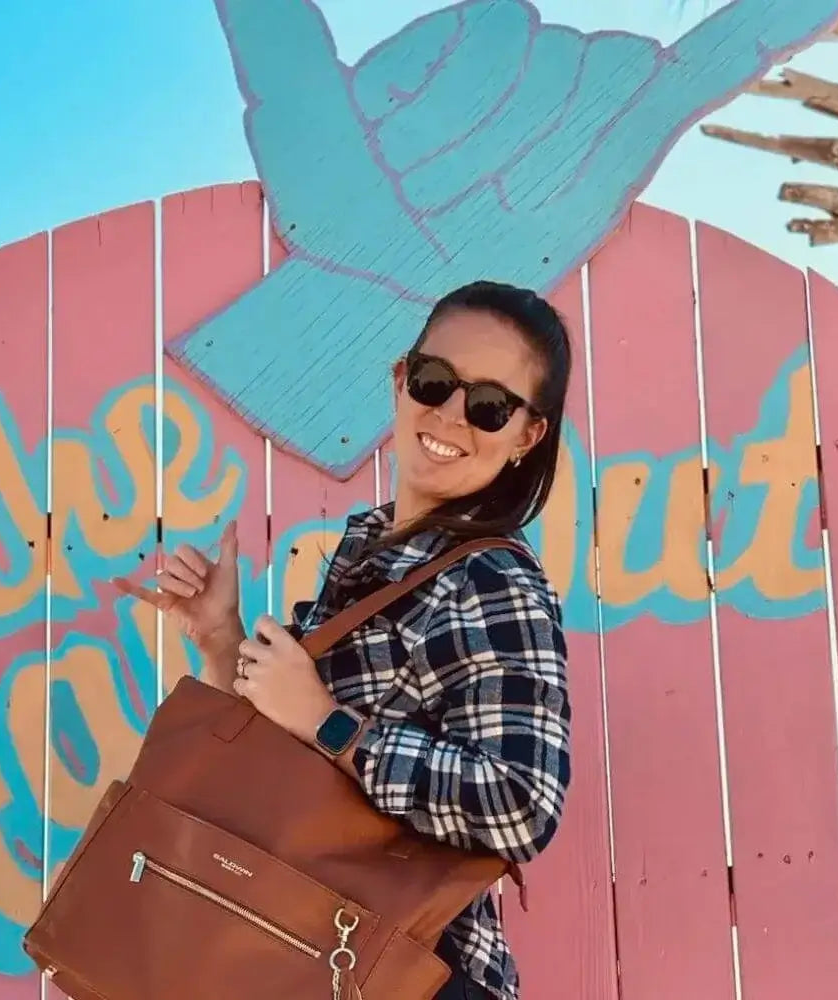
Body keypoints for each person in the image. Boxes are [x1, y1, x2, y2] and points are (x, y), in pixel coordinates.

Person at [121, 280, 572, 1000]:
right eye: (434, 382)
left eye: (490, 406)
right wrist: (218, 640)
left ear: (526, 435)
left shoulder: (491, 579)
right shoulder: (374, 556)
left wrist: (330, 723)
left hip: (407, 971)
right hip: (312, 956)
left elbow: (520, 803)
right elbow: (289, 770)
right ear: (401, 380)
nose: (452, 415)